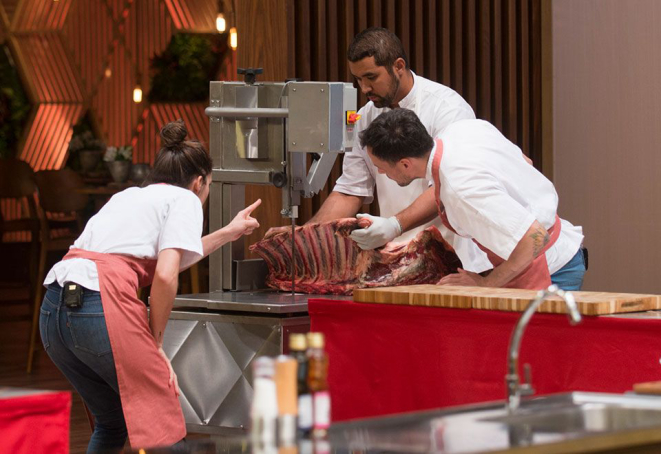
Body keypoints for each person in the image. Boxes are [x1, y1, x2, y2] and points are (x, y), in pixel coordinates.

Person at [38, 120, 261, 452]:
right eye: (208, 186)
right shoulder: (185, 200)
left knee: (112, 421)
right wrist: (156, 341)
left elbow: (166, 259)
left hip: (54, 310)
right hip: (98, 307)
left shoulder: (129, 196)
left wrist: (229, 231)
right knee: (163, 424)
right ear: (199, 182)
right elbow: (166, 275)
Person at [309, 27, 490, 273]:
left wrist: (395, 224)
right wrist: (306, 237)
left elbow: (447, 187)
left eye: (371, 77)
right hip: (402, 259)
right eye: (359, 79)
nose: (364, 88)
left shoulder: (447, 108)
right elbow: (350, 190)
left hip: (458, 260)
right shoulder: (364, 117)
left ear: (399, 66)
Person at [358, 109, 586, 290]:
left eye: (381, 167)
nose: (380, 174)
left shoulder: (461, 188)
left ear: (405, 164)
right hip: (558, 248)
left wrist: (485, 283)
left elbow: (535, 237)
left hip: (552, 269)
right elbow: (525, 162)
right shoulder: (463, 129)